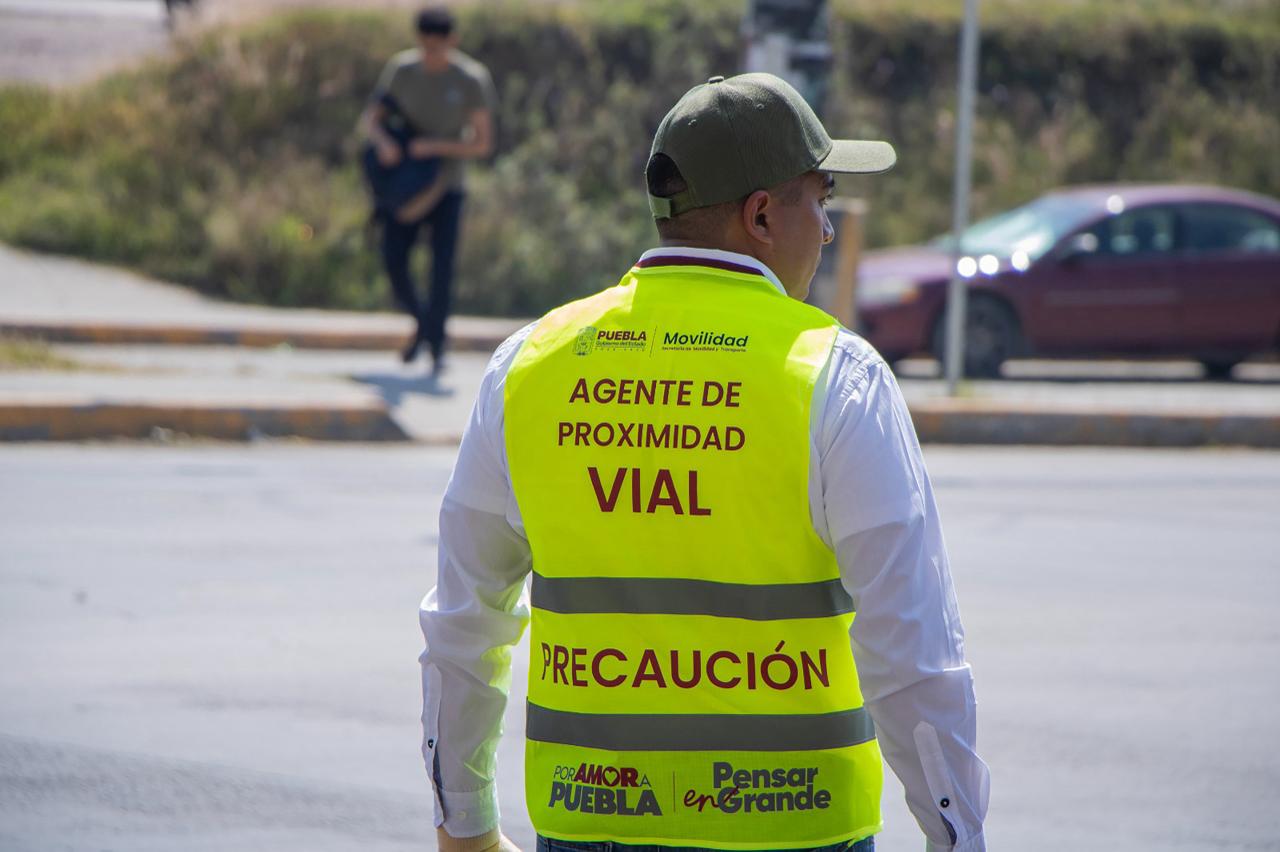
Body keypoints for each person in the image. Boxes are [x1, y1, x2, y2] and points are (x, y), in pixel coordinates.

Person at [420, 73, 989, 852]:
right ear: (761, 214)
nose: (826, 230)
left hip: (588, 824)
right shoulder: (834, 377)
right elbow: (913, 649)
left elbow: (463, 621)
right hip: (795, 829)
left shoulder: (531, 364)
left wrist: (464, 820)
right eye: (820, 199)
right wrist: (957, 834)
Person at [360, 7, 496, 372]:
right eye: (425, 47)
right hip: (403, 186)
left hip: (447, 187)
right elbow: (372, 120)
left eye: (438, 47)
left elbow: (482, 144)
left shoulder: (470, 78)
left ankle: (435, 345)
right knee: (393, 260)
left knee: (441, 270)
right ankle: (423, 325)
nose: (431, 54)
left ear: (453, 41)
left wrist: (435, 146)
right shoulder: (402, 70)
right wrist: (385, 143)